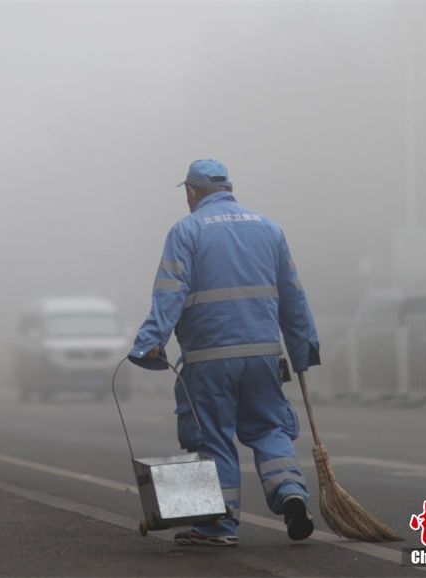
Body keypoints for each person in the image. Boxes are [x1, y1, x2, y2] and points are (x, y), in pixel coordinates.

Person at [128, 158, 321, 547]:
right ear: (229, 189)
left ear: (191, 191)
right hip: (264, 356)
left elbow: (170, 290)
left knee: (212, 437)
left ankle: (219, 527)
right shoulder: (269, 228)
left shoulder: (187, 230)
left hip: (208, 359)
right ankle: (289, 491)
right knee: (269, 427)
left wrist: (149, 341)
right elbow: (293, 295)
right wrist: (302, 348)